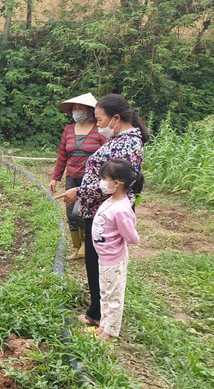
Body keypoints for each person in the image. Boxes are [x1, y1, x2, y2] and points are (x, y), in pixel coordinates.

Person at [60, 93, 147, 327]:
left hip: (106, 213)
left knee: (102, 263)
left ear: (115, 118)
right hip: (100, 210)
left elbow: (112, 184)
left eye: (99, 120)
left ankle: (99, 316)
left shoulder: (127, 145)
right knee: (95, 261)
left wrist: (78, 192)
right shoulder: (120, 139)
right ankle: (97, 310)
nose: (97, 125)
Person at [50, 93, 107, 260]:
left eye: (80, 108)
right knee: (70, 214)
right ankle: (77, 248)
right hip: (72, 177)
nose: (76, 111)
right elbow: (62, 156)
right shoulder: (68, 130)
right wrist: (55, 177)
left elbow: (105, 156)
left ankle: (86, 244)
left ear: (89, 111)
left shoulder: (99, 131)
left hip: (89, 180)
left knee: (79, 212)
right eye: (74, 108)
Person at [92, 159, 140, 340]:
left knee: (113, 297)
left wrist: (134, 235)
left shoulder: (121, 209)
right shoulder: (110, 200)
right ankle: (104, 325)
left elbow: (131, 237)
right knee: (105, 292)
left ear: (117, 183)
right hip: (104, 258)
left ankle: (110, 333)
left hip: (113, 261)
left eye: (104, 178)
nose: (101, 182)